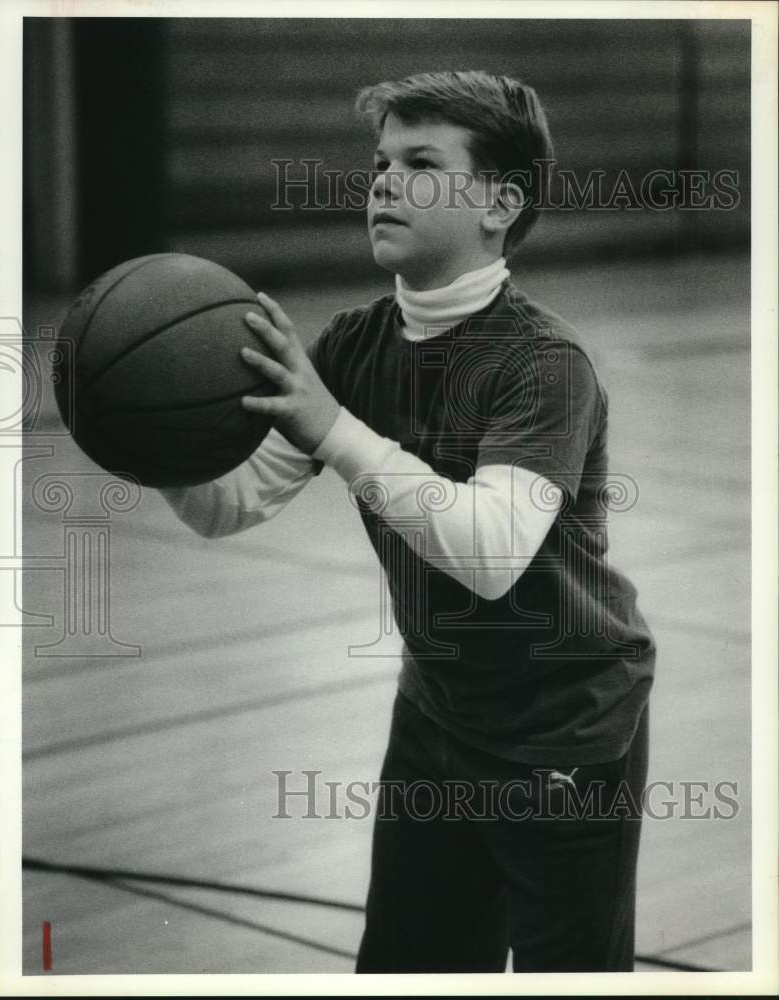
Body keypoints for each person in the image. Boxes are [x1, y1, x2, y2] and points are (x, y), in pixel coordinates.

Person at [160, 70, 656, 973]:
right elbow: (230, 505)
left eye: (421, 162)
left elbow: (492, 553)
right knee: (406, 969)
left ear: (500, 204)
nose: (383, 180)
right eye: (379, 161)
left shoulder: (542, 363)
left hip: (565, 727)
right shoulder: (351, 345)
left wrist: (333, 428)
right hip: (438, 711)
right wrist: (154, 444)